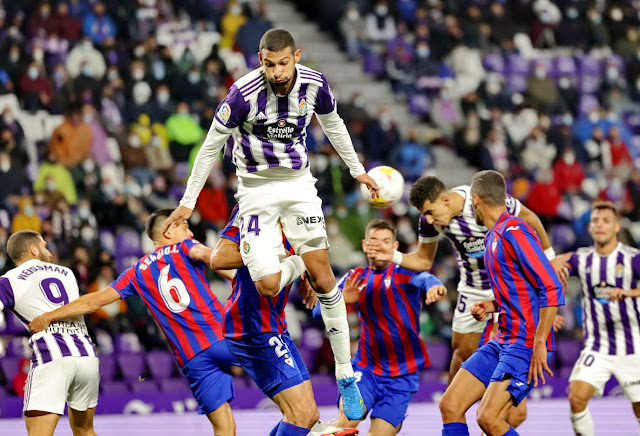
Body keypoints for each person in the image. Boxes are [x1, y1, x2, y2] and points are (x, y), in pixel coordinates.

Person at [163, 28, 378, 419]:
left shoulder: (315, 85)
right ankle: (296, 261)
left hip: (298, 185)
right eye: (268, 64)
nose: (276, 72)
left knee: (326, 278)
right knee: (267, 285)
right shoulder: (242, 96)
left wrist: (358, 170)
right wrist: (186, 204)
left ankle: (346, 374)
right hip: (256, 191)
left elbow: (333, 125)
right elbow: (210, 146)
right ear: (259, 60)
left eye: (283, 63)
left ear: (296, 55)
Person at [365, 175, 566, 427]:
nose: (428, 219)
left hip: (510, 287)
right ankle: (455, 411)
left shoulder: (491, 208)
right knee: (460, 355)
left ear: (447, 199)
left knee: (501, 411)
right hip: (475, 289)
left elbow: (531, 220)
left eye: (430, 211)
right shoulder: (440, 223)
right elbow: (424, 261)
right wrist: (391, 254)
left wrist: (550, 257)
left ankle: (500, 413)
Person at [29, 209, 237, 436]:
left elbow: (93, 302)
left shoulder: (136, 272)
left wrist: (49, 316)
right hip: (225, 338)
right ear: (168, 231)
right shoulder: (185, 247)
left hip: (191, 356)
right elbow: (219, 261)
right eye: (184, 226)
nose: (189, 231)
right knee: (281, 390)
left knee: (224, 429)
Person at [439, 170, 565, 436]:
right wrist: (492, 305)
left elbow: (550, 285)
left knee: (489, 418)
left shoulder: (515, 231)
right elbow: (520, 288)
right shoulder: (491, 236)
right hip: (503, 339)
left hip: (525, 343)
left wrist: (540, 341)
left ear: (475, 200)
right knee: (450, 404)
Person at [212, 205, 357, 436]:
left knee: (308, 416)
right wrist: (287, 259)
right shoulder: (253, 206)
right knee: (302, 415)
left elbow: (308, 254)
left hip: (275, 325)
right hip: (251, 326)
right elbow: (219, 259)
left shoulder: (298, 209)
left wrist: (308, 268)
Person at [313, 219, 448, 436]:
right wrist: (342, 300)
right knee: (348, 419)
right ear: (365, 245)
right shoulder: (355, 277)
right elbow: (317, 311)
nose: (380, 245)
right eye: (374, 240)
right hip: (366, 368)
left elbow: (426, 278)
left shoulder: (405, 271)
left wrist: (435, 287)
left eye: (386, 241)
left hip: (403, 375)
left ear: (395, 247)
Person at [0, 230, 98, 436]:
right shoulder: (67, 273)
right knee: (85, 430)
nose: (50, 252)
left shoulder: (8, 281)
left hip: (52, 357)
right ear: (33, 249)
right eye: (44, 246)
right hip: (87, 356)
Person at [559, 201, 640, 436]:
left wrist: (629, 292)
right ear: (590, 227)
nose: (599, 225)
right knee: (576, 398)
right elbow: (551, 263)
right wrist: (552, 268)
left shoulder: (632, 258)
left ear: (616, 227)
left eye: (605, 221)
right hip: (597, 347)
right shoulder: (581, 258)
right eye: (595, 221)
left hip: (632, 346)